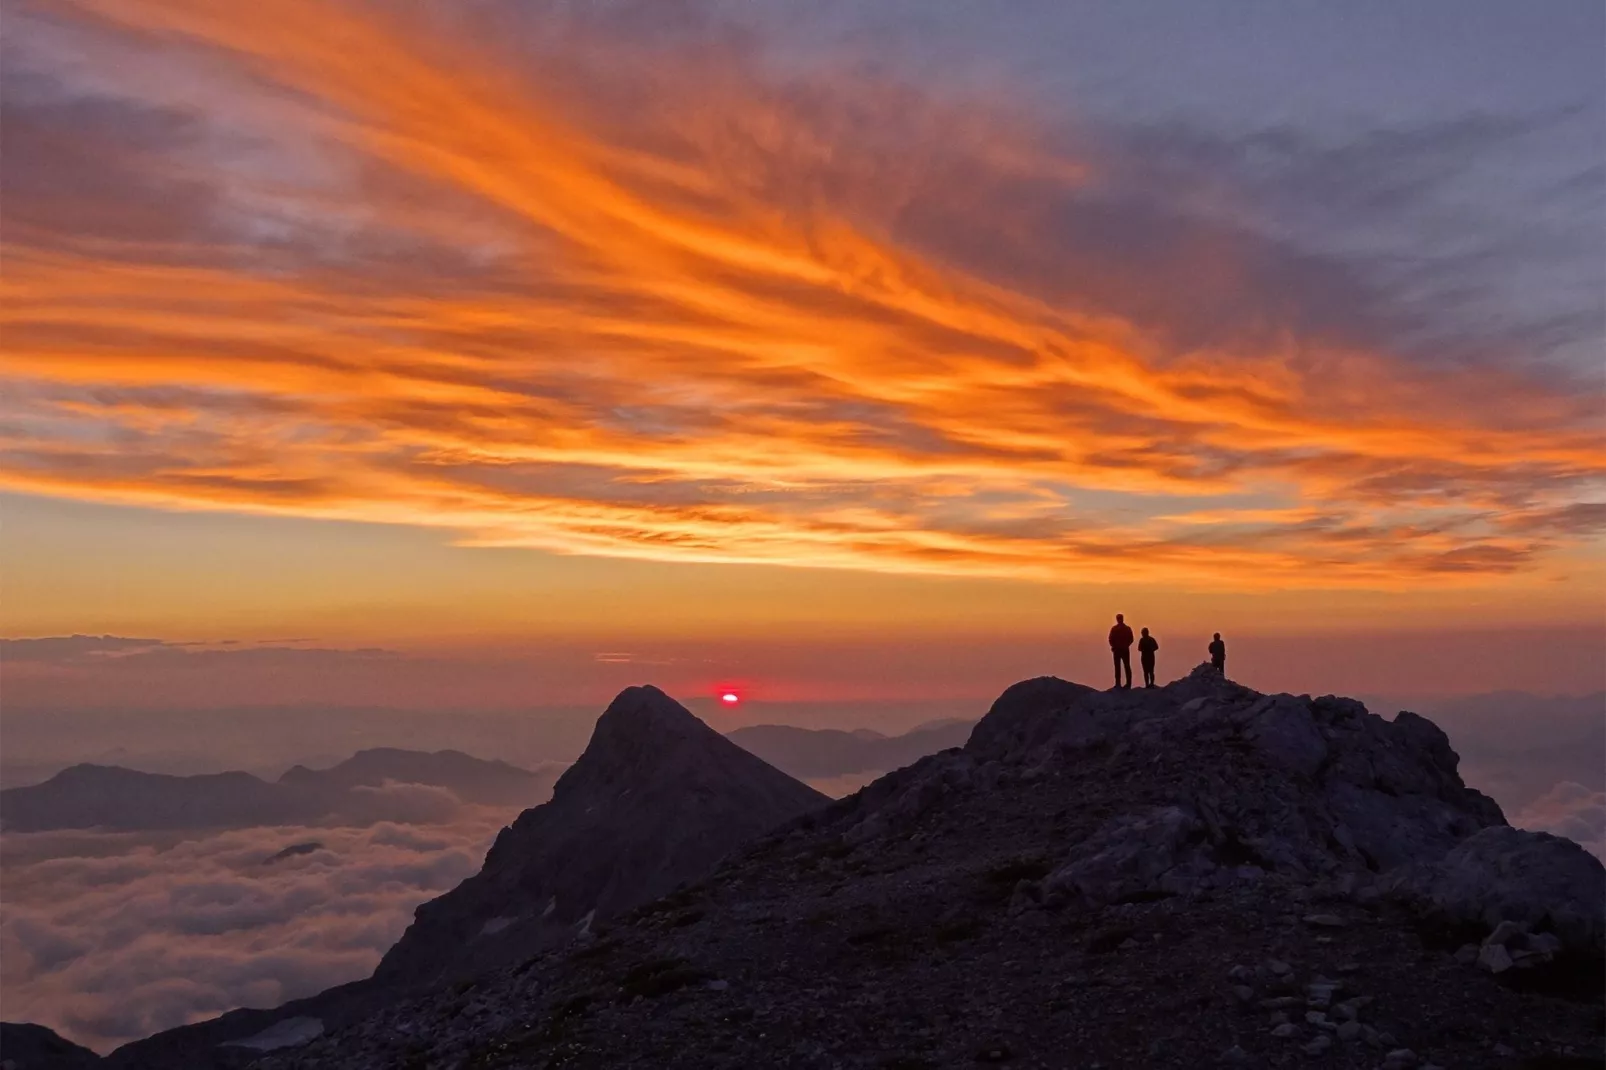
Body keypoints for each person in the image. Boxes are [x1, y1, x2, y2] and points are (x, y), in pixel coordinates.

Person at [1108, 613, 1134, 689]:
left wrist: (1125, 645)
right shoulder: (1114, 629)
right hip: (1117, 650)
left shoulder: (1126, 628)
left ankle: (1128, 684)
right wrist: (1113, 646)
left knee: (1126, 666)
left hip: (1123, 650)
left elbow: (1131, 639)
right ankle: (1118, 683)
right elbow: (1110, 639)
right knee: (1118, 667)